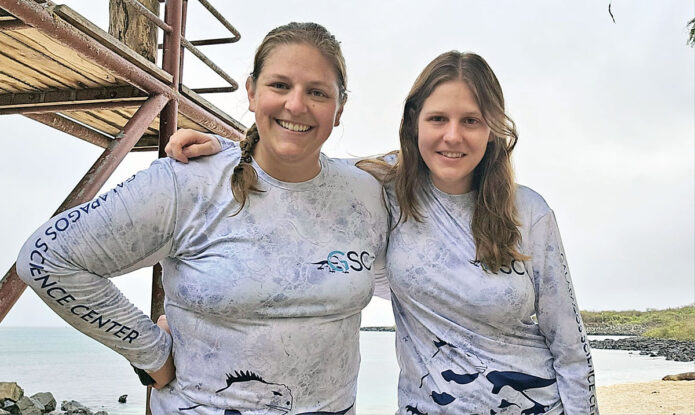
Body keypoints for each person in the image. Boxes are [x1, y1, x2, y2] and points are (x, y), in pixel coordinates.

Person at [171, 51, 598, 414]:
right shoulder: (382, 190)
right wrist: (228, 151)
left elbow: (570, 347)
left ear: (492, 129)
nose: (453, 136)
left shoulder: (528, 212)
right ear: (414, 123)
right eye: (438, 118)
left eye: (471, 120)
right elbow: (293, 165)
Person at [16, 22, 388, 415]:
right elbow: (45, 257)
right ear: (251, 91)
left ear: (340, 108)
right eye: (280, 85)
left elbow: (445, 161)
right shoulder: (186, 182)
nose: (296, 105)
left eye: (317, 92)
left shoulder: (366, 193)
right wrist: (150, 352)